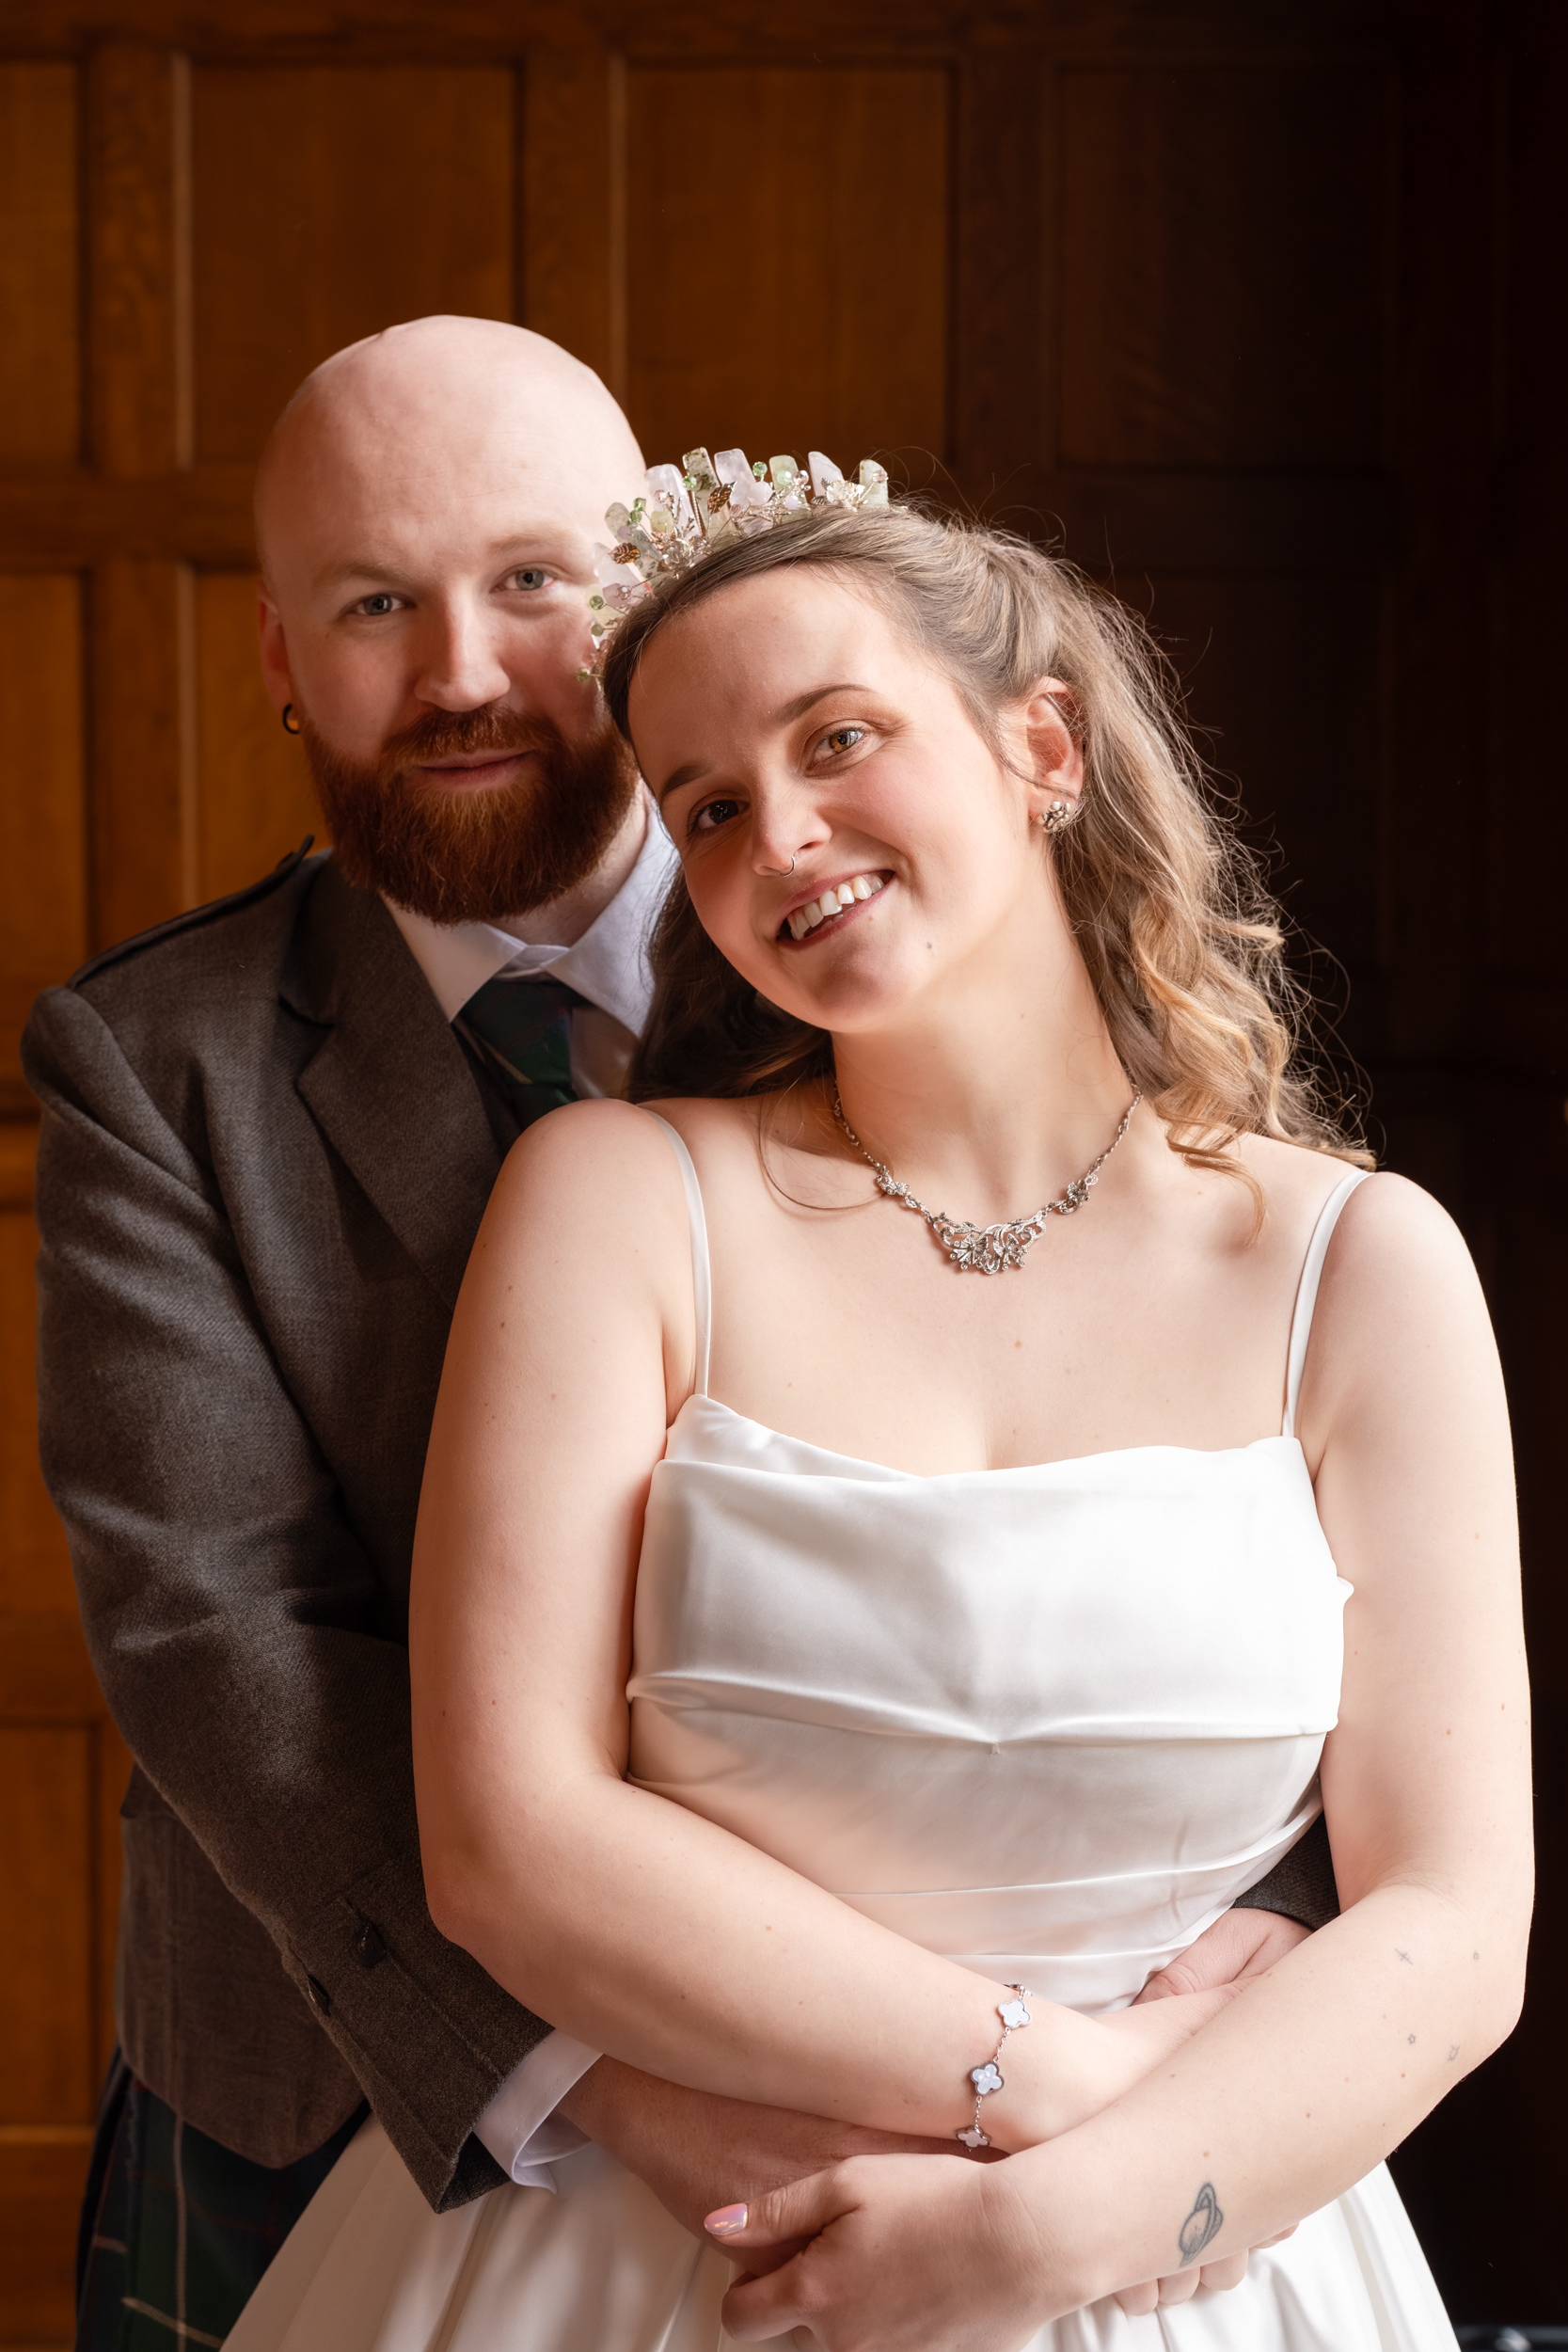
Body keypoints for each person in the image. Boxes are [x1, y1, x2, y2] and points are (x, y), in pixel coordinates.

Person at [24, 333, 1315, 2352]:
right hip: (354, 2095)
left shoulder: (919, 951)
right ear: (281, 656)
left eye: (533, 582)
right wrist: (618, 2073)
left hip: (1071, 2112)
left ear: (637, 590)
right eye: (375, 604)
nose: (462, 669)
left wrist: (1257, 1932)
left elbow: (1232, 1481)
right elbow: (225, 1645)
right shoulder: (154, 1061)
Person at [214, 477, 1531, 2351]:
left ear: (1042, 746)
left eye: (839, 738)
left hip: (1193, 2253)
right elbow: (508, 1835)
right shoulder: (613, 1197)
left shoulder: (1362, 1262)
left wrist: (1065, 2223)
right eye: (711, 807)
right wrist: (1047, 2090)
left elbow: (1459, 1915)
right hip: (653, 2246)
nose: (784, 833)